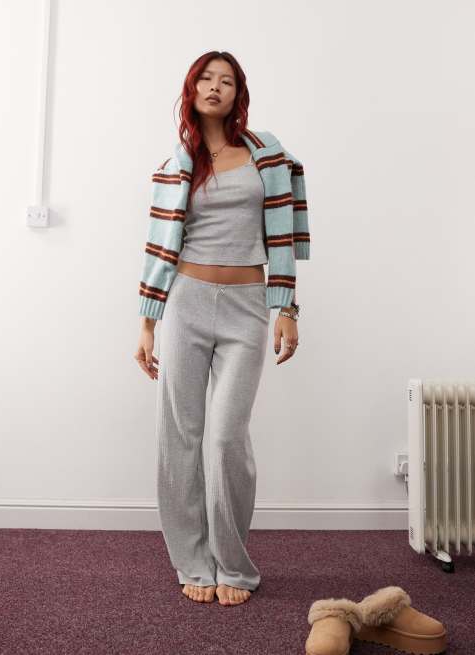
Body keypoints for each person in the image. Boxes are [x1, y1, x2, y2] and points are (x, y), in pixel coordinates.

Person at [135, 50, 309, 606]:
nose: (215, 87)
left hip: (246, 304)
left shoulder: (267, 153)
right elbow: (160, 246)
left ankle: (233, 563)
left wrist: (287, 308)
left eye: (226, 80)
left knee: (227, 438)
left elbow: (283, 235)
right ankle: (192, 561)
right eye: (206, 79)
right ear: (192, 90)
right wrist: (147, 323)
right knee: (180, 436)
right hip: (186, 302)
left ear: (239, 93)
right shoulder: (177, 163)